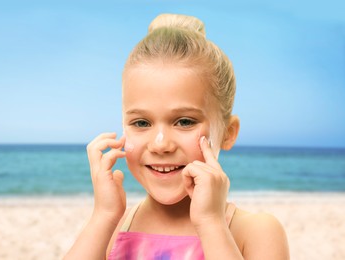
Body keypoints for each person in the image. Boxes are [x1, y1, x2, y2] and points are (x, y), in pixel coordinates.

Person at [65, 13, 289, 259]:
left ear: (228, 132)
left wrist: (211, 223)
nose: (160, 144)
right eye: (141, 122)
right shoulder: (112, 229)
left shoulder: (256, 232)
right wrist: (103, 216)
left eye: (184, 122)